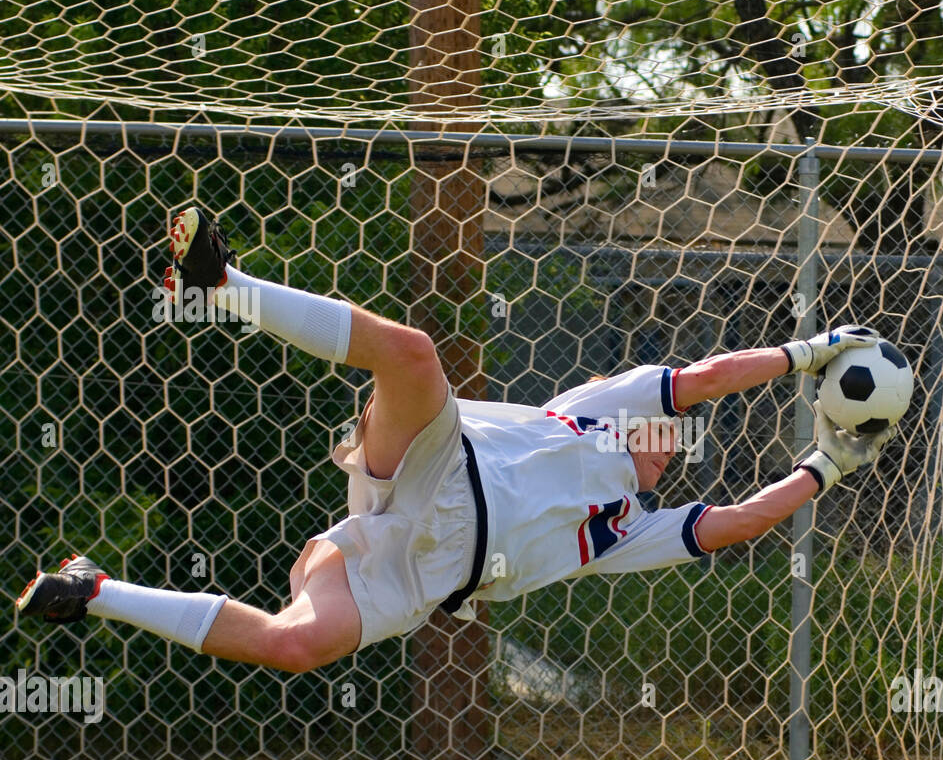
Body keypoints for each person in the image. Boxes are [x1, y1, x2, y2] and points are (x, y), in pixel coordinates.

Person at [17, 208, 897, 672]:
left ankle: (93, 588)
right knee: (411, 354)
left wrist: (826, 464)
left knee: (293, 645)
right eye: (663, 426)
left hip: (426, 571)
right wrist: (804, 355)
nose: (667, 440)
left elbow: (737, 521)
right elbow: (703, 377)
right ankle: (222, 282)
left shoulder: (626, 527)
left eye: (673, 446)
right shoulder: (599, 409)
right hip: (442, 466)